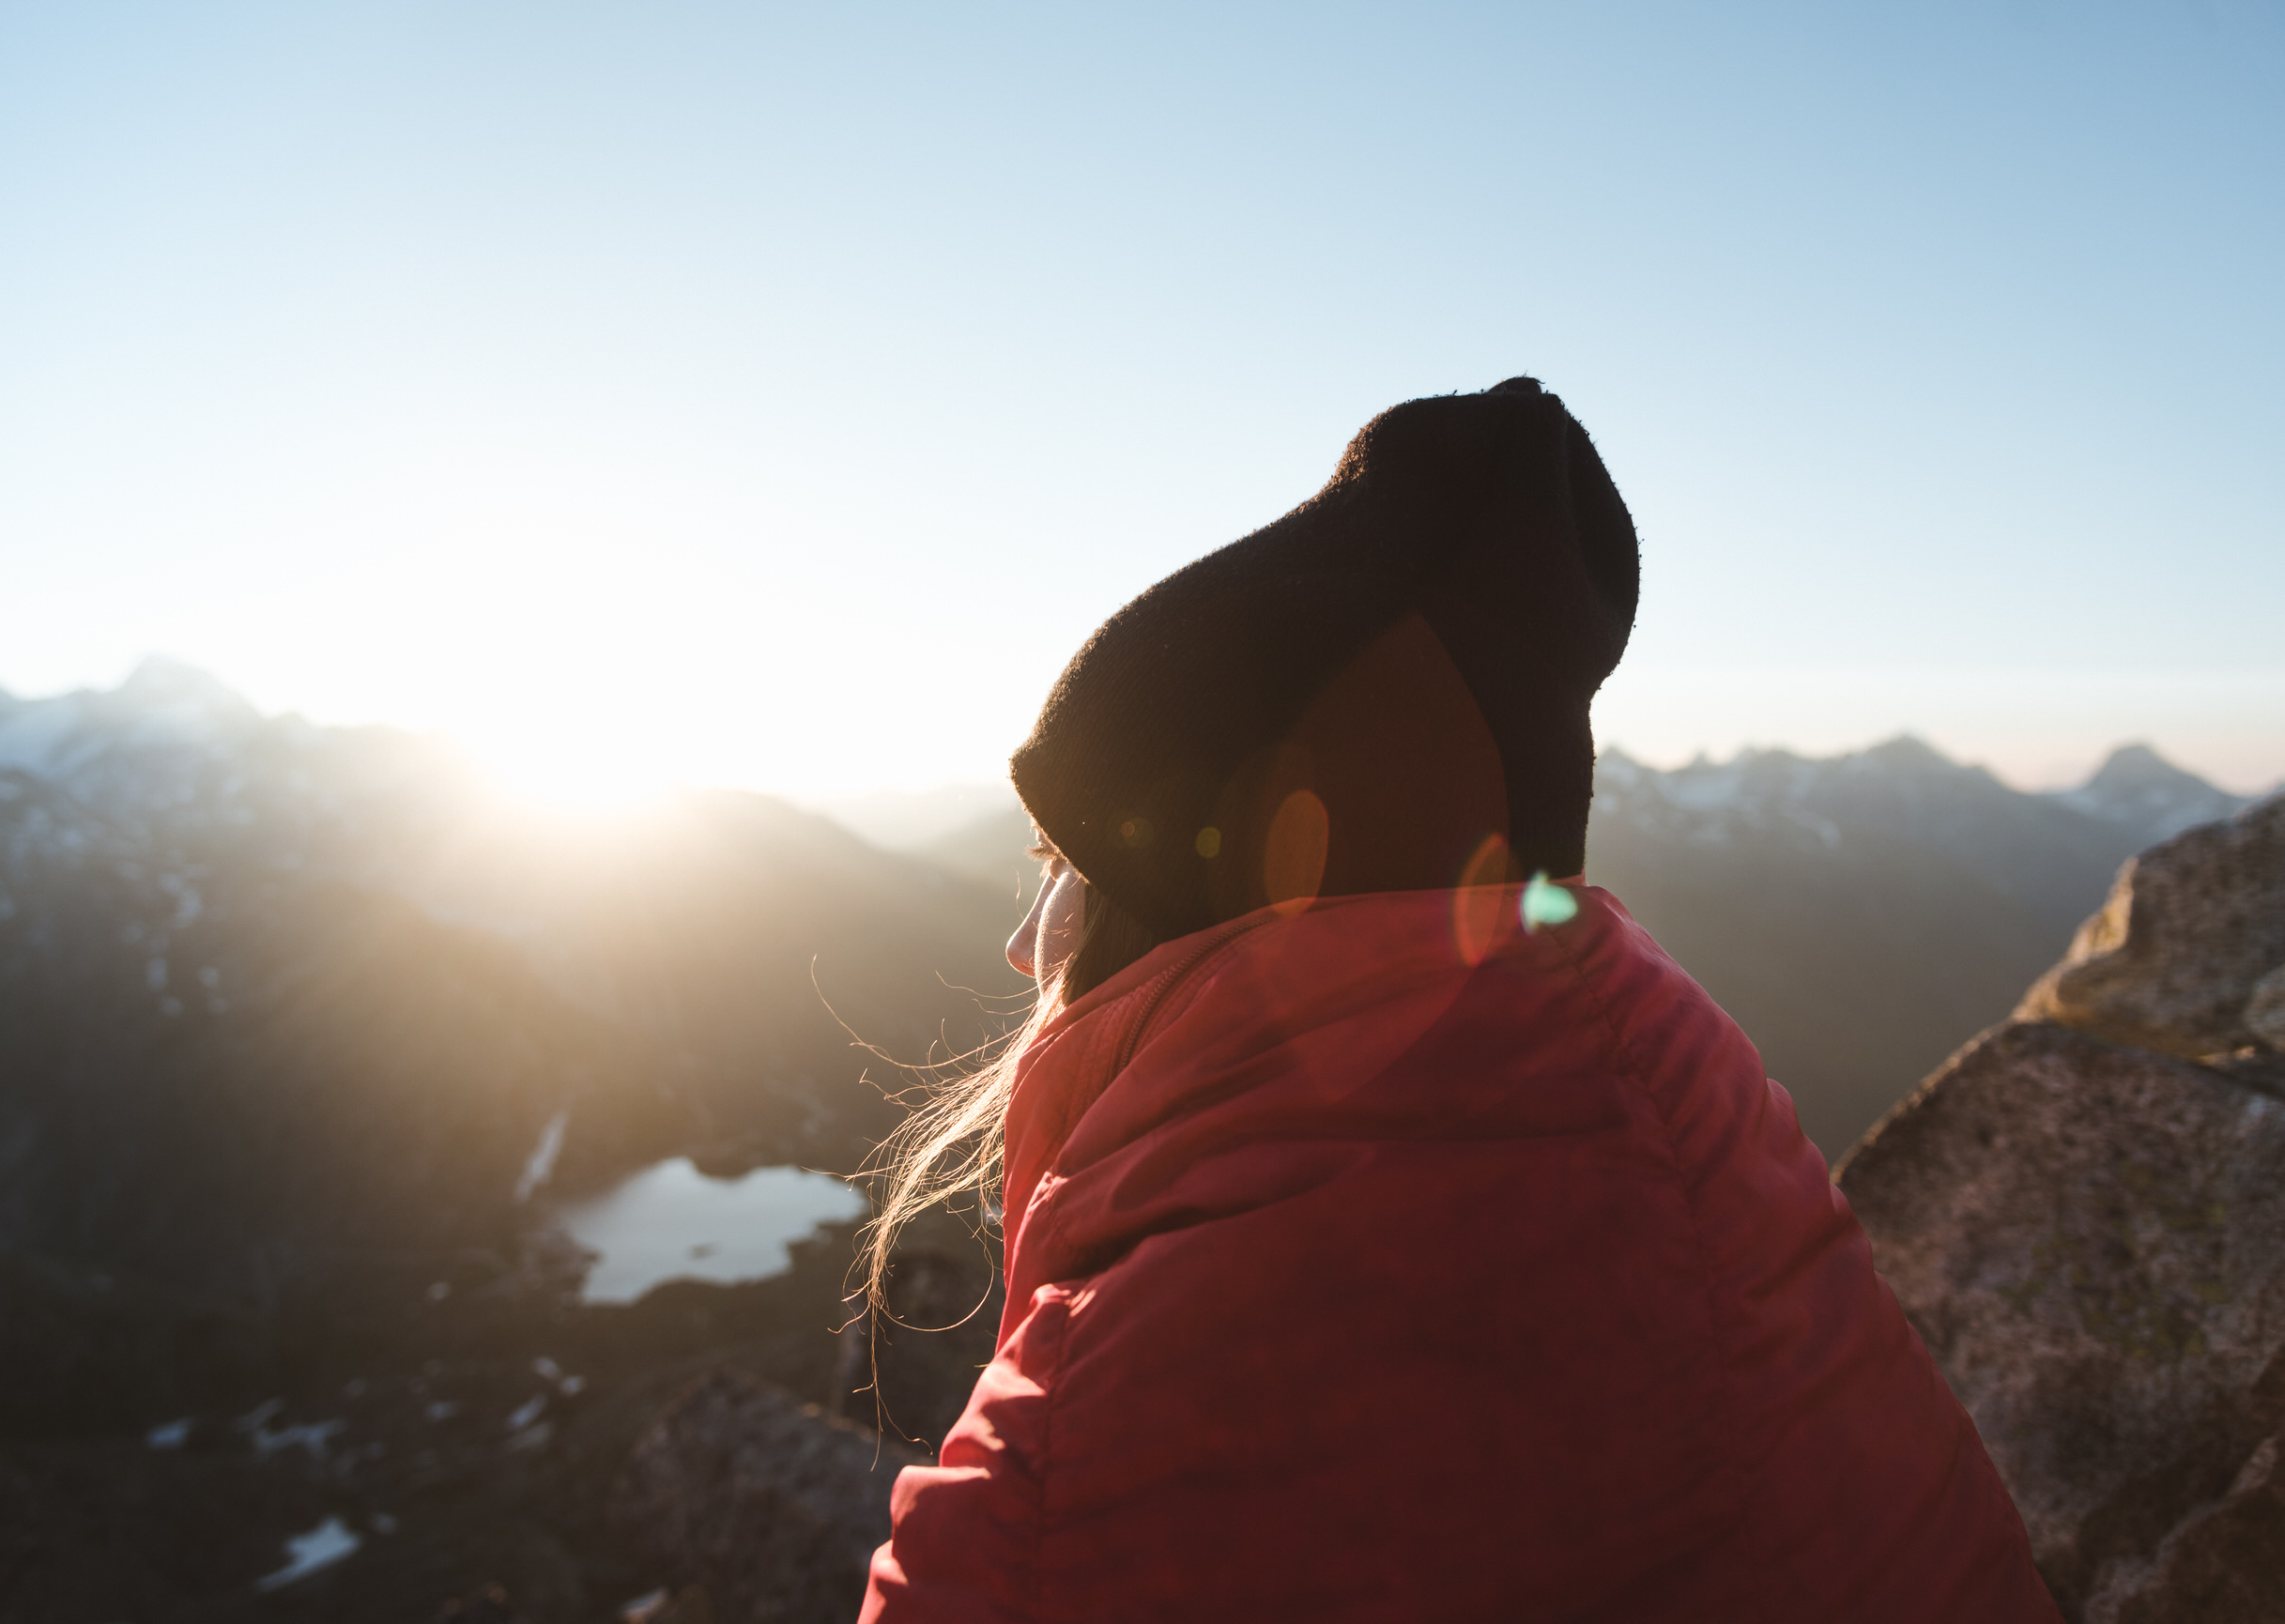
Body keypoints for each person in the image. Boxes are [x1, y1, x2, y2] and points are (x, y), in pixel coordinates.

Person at [856, 379, 2059, 1621]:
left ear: (1206, 896)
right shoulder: (1687, 1101)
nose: (1018, 942)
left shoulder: (1096, 1427)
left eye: (1060, 870)